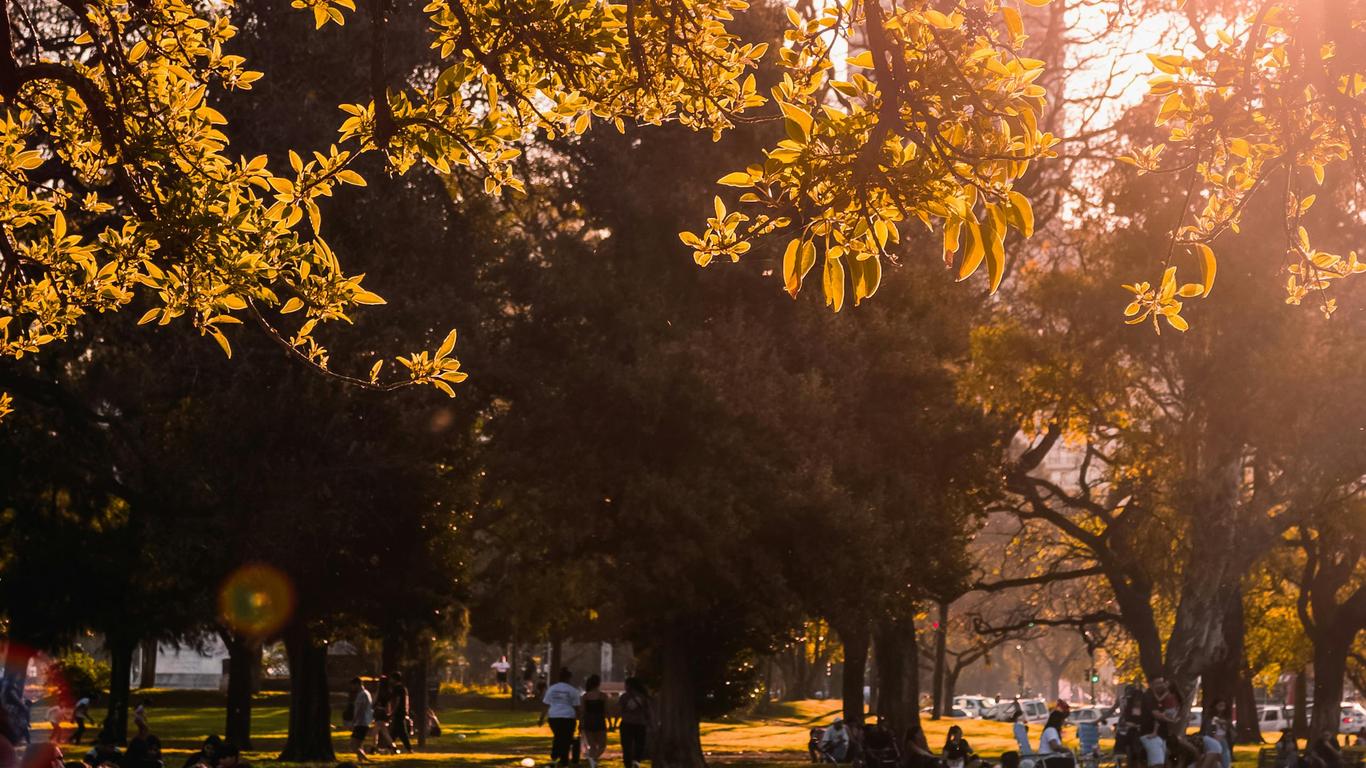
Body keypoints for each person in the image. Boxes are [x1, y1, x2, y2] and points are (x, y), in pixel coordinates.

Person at [539, 668, 581, 767]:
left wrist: (541, 718)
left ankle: (557, 757)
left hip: (554, 716)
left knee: (559, 736)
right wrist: (580, 719)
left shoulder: (552, 689)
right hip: (568, 717)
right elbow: (577, 706)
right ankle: (562, 759)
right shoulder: (572, 690)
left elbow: (546, 704)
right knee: (565, 738)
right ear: (569, 678)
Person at [617, 677, 651, 768]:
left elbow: (619, 711)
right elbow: (648, 711)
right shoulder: (644, 696)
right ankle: (636, 761)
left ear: (629, 686)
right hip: (640, 724)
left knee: (626, 746)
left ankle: (628, 764)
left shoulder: (624, 697)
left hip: (626, 724)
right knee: (639, 745)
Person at [579, 675, 609, 768]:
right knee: (602, 745)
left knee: (591, 745)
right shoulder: (603, 696)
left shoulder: (585, 696)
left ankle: (592, 761)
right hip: (599, 721)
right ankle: (593, 759)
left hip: (588, 721)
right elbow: (606, 711)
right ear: (598, 684)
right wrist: (611, 723)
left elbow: (582, 711)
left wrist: (580, 723)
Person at [1199, 699, 1232, 768]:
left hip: (1223, 739)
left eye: (1223, 706)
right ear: (1215, 706)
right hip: (1212, 739)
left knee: (1225, 756)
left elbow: (1228, 729)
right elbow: (1207, 730)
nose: (1222, 708)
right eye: (1220, 705)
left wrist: (1223, 723)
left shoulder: (1225, 717)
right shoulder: (1210, 717)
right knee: (1214, 756)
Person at [348, 677, 374, 763]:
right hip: (364, 722)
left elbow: (360, 709)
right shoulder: (366, 693)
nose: (352, 688)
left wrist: (354, 721)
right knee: (359, 745)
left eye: (353, 685)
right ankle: (360, 761)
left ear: (357, 684)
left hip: (361, 723)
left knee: (352, 746)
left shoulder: (362, 694)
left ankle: (367, 759)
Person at [389, 672, 411, 754]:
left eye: (391, 679)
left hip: (398, 712)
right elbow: (406, 700)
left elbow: (397, 701)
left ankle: (409, 749)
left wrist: (393, 711)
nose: (390, 680)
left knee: (401, 732)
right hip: (402, 711)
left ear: (394, 679)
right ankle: (391, 747)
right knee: (395, 731)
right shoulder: (403, 688)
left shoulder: (397, 688)